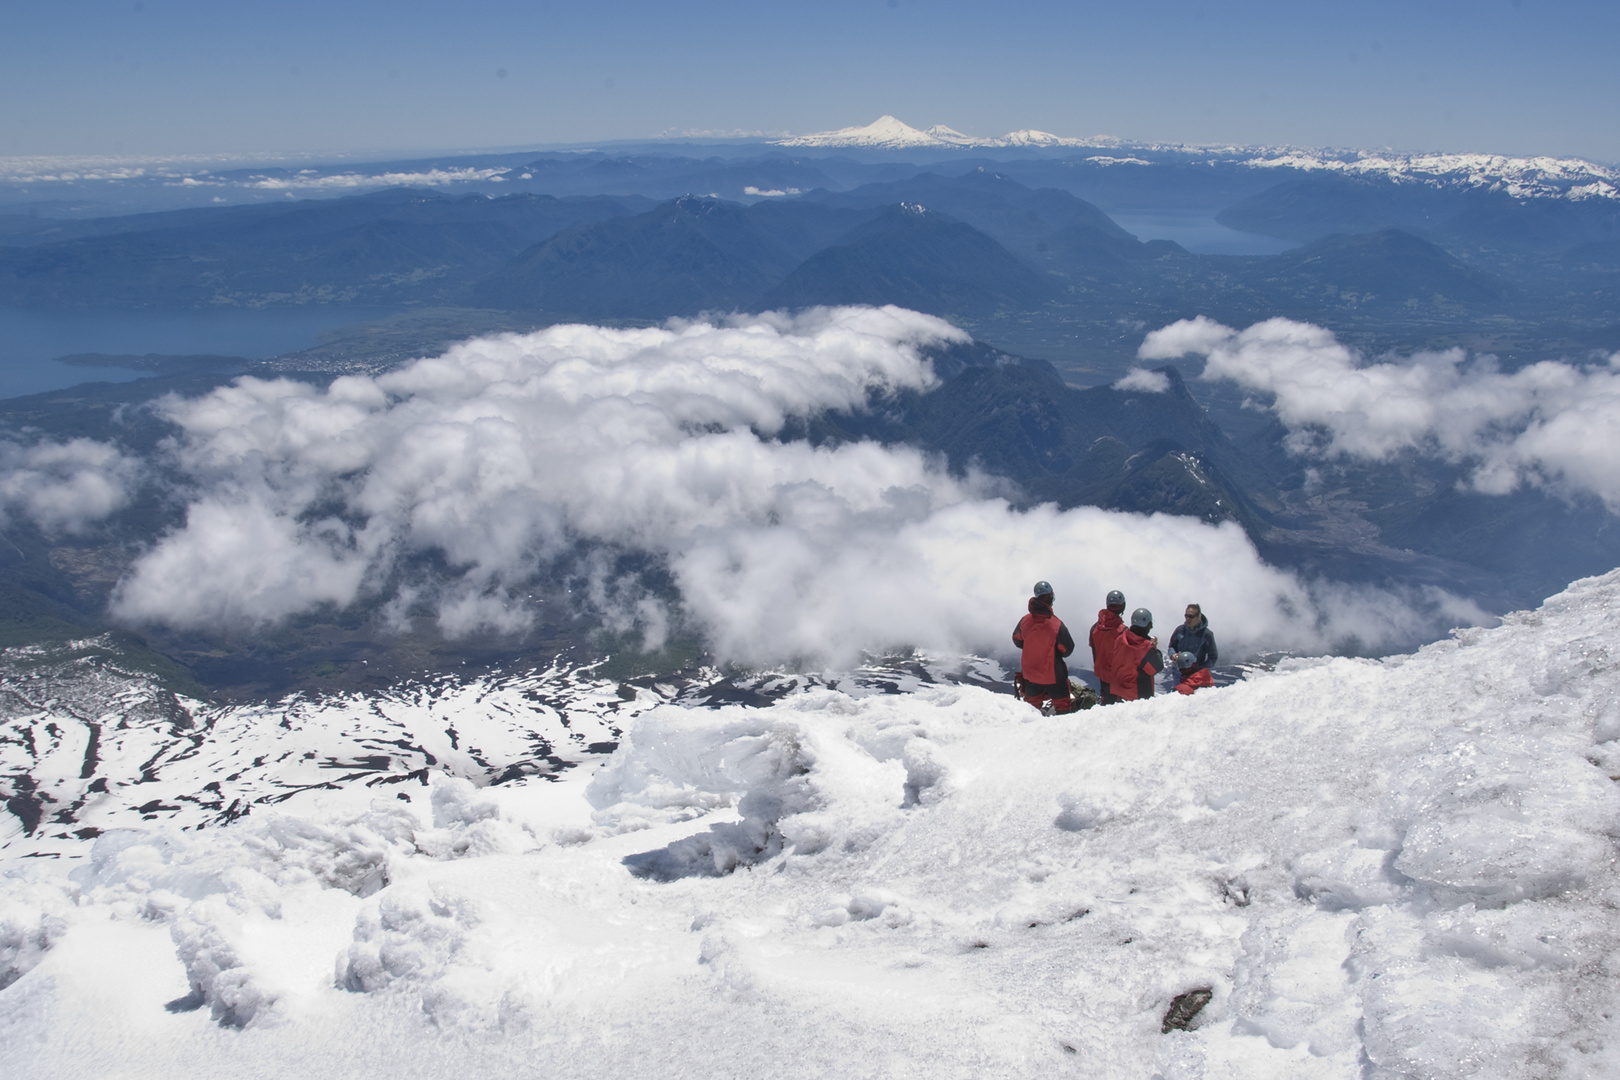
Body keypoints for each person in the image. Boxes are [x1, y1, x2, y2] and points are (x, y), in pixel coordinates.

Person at [1012, 580, 1076, 714]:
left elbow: (1017, 639)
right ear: (1052, 597)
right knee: (1063, 708)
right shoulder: (1056, 624)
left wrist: (1032, 646)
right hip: (1053, 675)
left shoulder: (1025, 621)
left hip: (1030, 675)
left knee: (1030, 710)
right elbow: (1067, 649)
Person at [1111, 607, 1164, 701]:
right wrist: (1154, 648)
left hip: (1119, 692)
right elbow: (1157, 667)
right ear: (1149, 625)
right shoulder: (1145, 648)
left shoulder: (1121, 638)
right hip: (1137, 696)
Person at [1089, 589, 1127, 704]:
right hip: (1119, 678)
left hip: (1103, 675)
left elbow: (1094, 649)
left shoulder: (1095, 628)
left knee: (1107, 703)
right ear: (1123, 606)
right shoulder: (1123, 631)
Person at [1168, 603, 1217, 694]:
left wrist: (1202, 669)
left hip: (1195, 675)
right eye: (1186, 616)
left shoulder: (1206, 634)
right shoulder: (1179, 630)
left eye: (1191, 616)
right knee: (1177, 697)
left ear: (1199, 616)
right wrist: (1172, 654)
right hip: (1178, 672)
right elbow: (1171, 646)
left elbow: (1213, 656)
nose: (1187, 619)